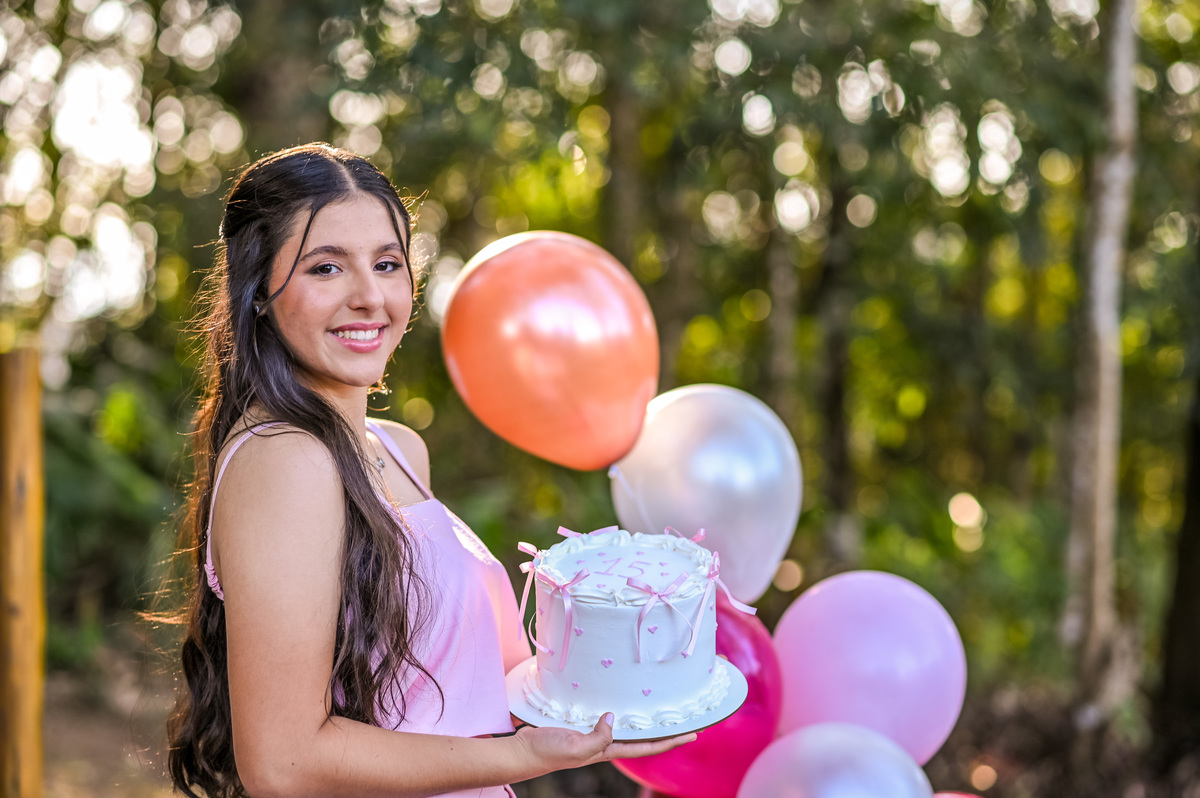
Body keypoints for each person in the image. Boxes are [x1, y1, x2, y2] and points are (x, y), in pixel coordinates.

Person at [167, 143, 695, 798]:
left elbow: (462, 687)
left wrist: (634, 685)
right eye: (326, 267)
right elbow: (286, 764)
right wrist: (524, 758)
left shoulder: (396, 449)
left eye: (387, 264)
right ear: (259, 294)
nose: (369, 296)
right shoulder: (286, 459)